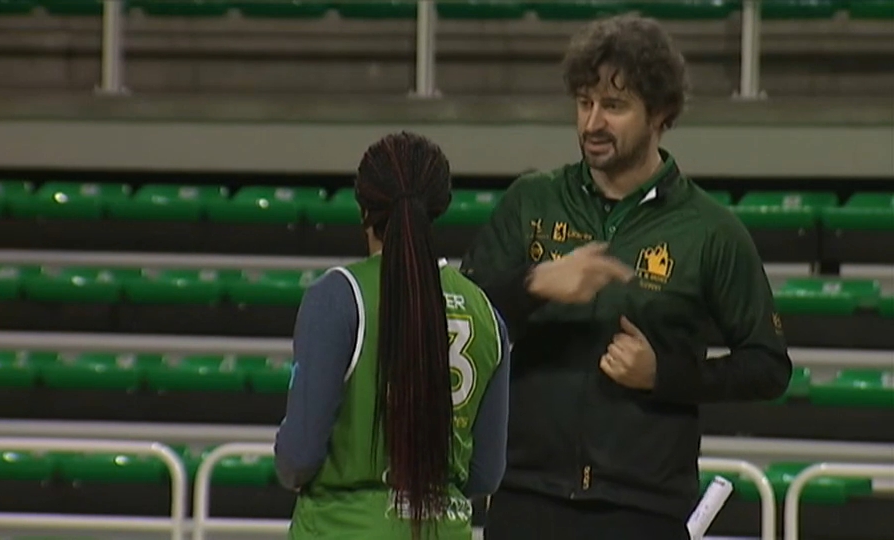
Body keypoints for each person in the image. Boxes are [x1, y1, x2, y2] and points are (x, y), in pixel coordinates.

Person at [461, 14, 794, 540]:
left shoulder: (710, 231)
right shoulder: (531, 201)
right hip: (526, 497)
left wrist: (664, 375)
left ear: (660, 114)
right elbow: (461, 320)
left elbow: (768, 367)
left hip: (646, 510)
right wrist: (535, 284)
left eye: (614, 107)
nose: (593, 122)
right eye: (584, 102)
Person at [274, 131, 512, 540]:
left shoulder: (337, 296)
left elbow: (299, 455)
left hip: (341, 527)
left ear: (364, 208)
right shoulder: (487, 314)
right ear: (439, 207)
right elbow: (485, 475)